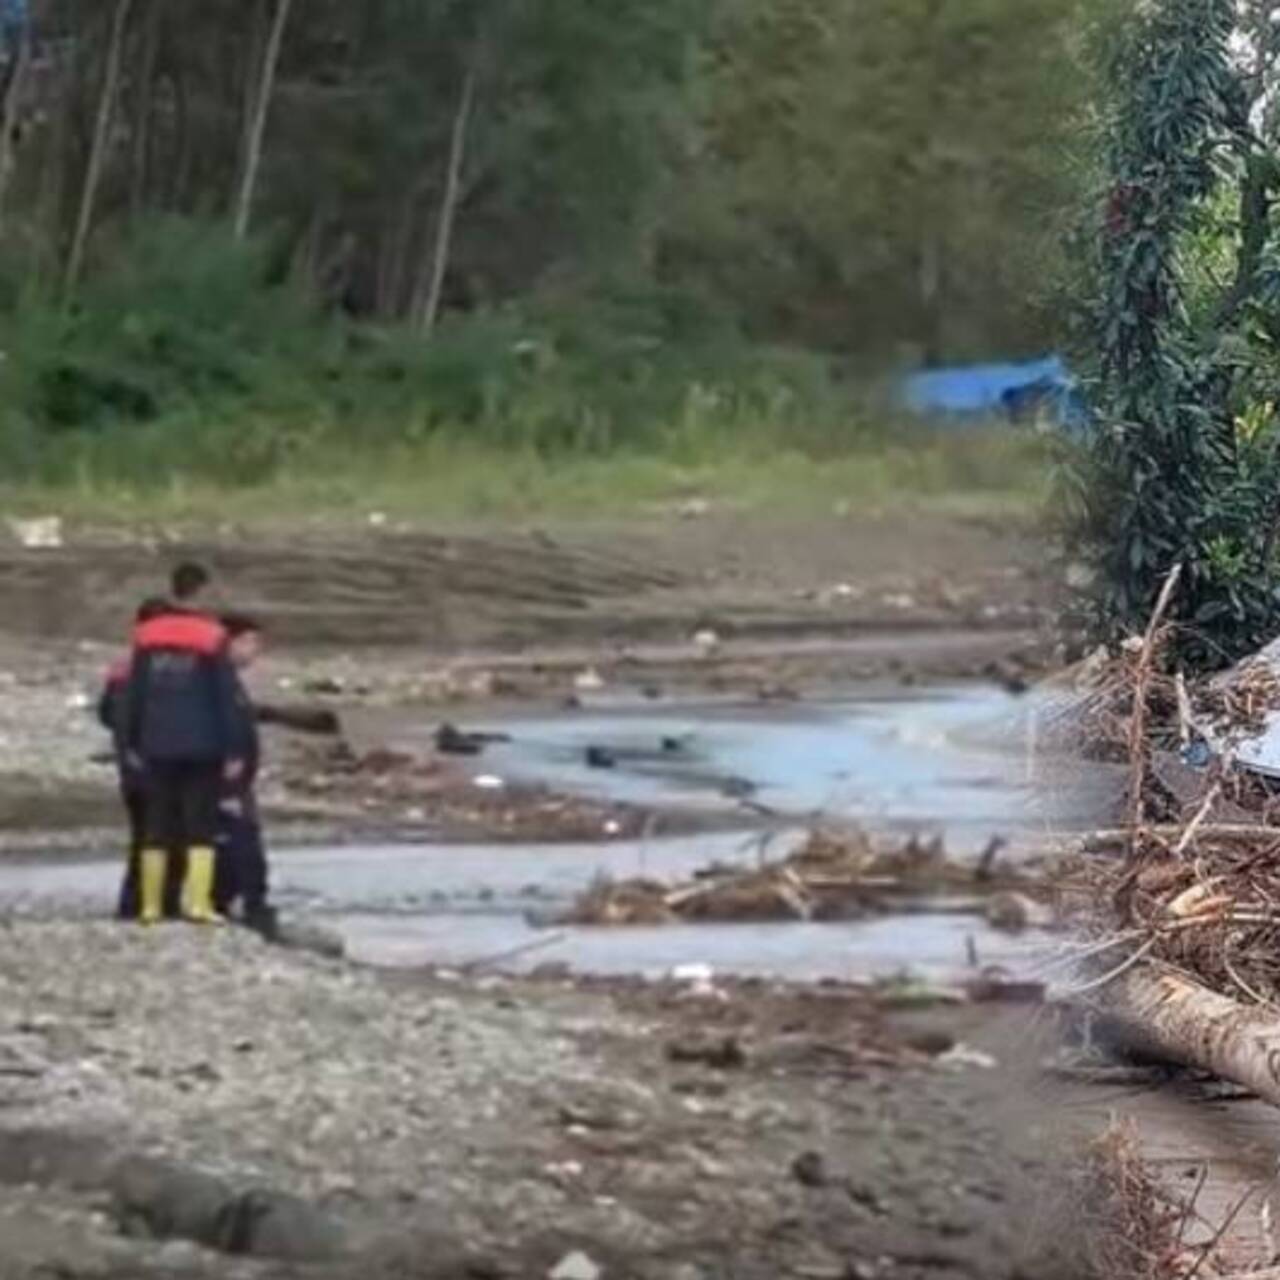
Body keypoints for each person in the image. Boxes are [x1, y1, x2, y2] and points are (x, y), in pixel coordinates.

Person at [115, 601, 243, 925]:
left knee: (156, 826)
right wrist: (234, 749)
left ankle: (151, 907)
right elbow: (225, 698)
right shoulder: (213, 641)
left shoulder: (146, 642)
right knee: (200, 826)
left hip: (155, 746)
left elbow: (134, 696)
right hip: (204, 748)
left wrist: (128, 743)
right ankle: (198, 904)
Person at [97, 597, 169, 920]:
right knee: (159, 836)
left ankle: (135, 904)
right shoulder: (152, 669)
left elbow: (107, 715)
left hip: (132, 767)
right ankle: (149, 905)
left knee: (144, 836)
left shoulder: (124, 668)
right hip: (156, 766)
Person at [213, 612, 277, 937]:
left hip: (236, 778)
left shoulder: (226, 680)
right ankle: (248, 908)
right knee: (240, 844)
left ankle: (241, 904)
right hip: (225, 779)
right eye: (252, 642)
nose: (256, 651)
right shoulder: (217, 679)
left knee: (238, 842)